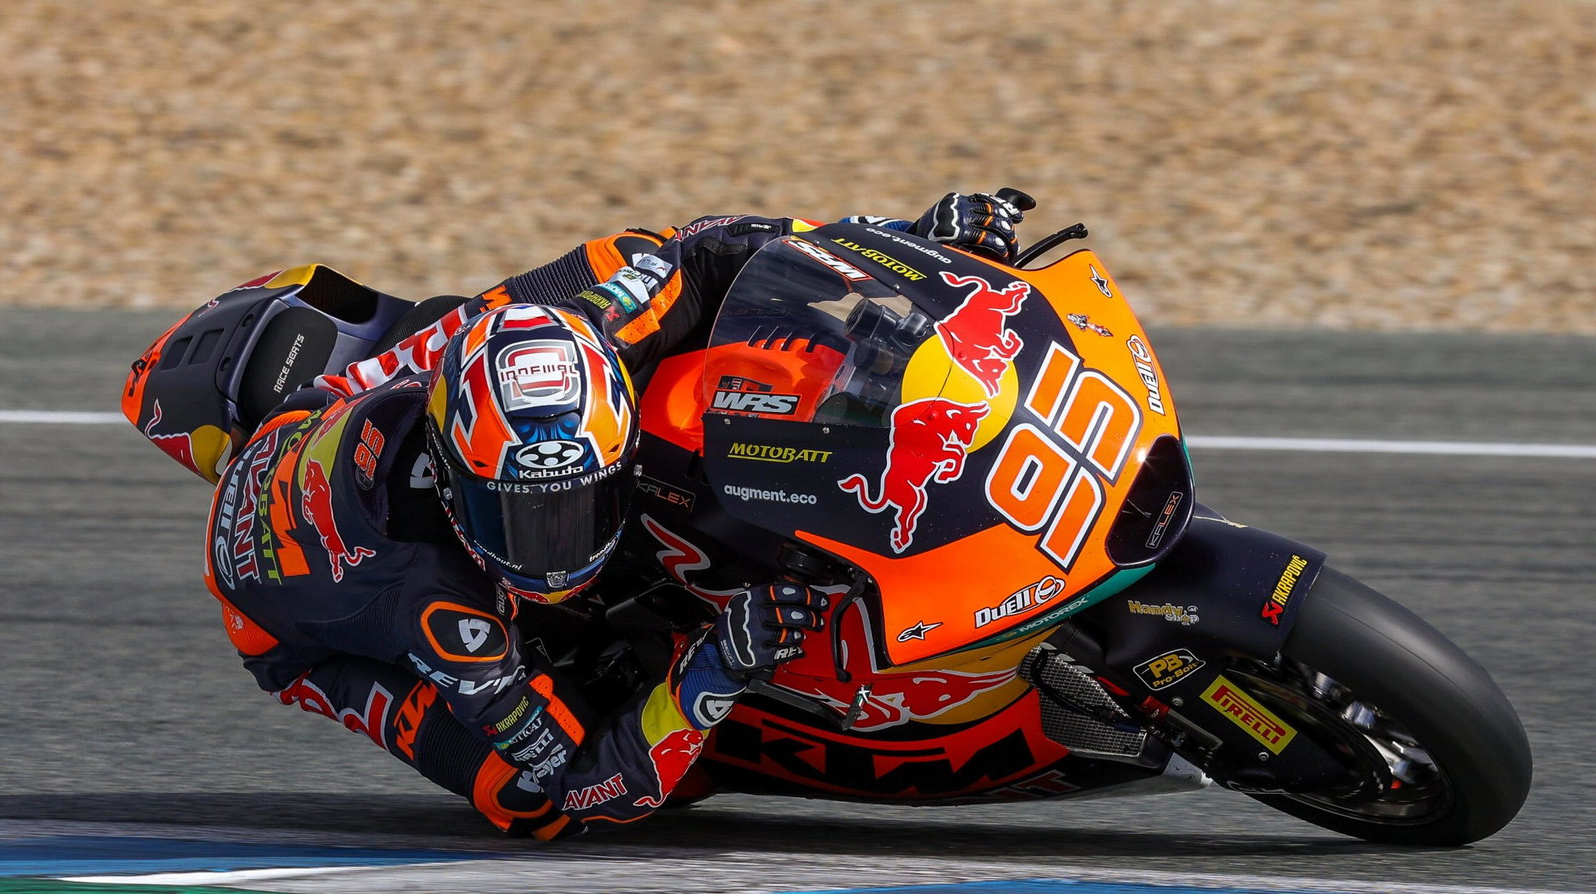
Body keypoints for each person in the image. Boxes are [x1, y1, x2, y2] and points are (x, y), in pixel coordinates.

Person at [122, 191, 1034, 838]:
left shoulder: (575, 317)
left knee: (621, 290)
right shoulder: (447, 616)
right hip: (303, 621)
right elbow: (591, 783)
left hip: (335, 410)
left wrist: (907, 237)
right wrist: (722, 659)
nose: (561, 546)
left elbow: (711, 244)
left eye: (579, 504)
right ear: (458, 482)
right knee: (531, 801)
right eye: (529, 520)